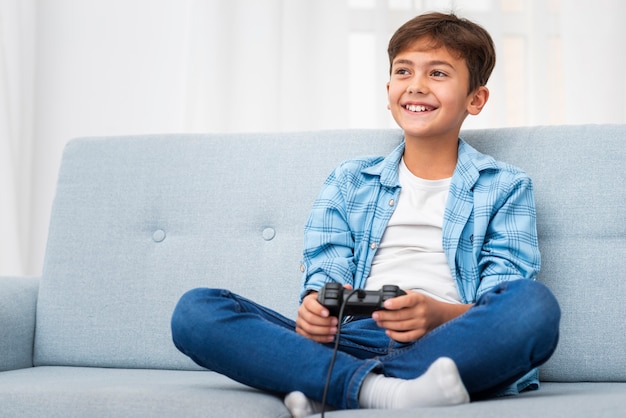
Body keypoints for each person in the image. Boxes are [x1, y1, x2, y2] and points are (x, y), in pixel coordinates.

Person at [171, 11, 561, 416]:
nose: (417, 86)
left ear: (475, 99)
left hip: (447, 344)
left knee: (533, 305)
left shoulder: (505, 185)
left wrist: (436, 315)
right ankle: (385, 391)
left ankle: (330, 383)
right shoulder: (349, 179)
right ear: (388, 88)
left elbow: (503, 289)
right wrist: (315, 309)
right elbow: (327, 275)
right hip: (348, 340)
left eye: (438, 74)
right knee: (196, 310)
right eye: (404, 71)